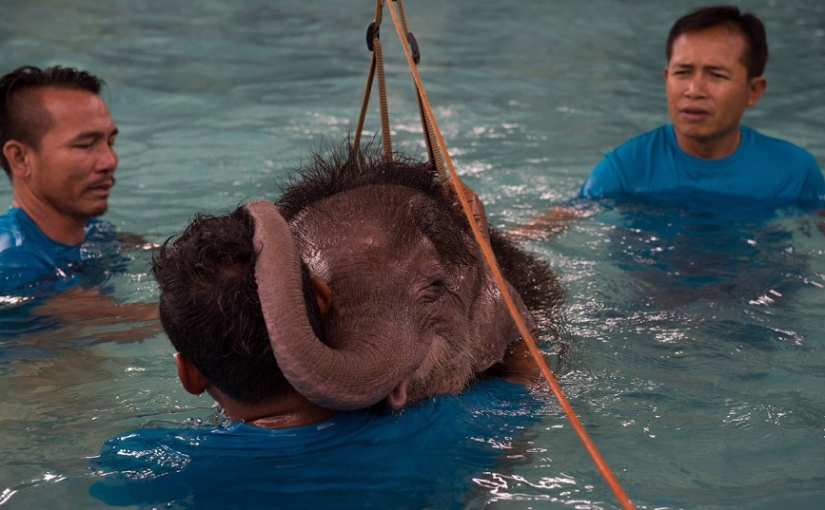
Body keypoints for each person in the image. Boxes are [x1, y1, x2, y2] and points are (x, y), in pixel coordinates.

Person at [87, 203, 543, 508]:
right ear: (322, 303)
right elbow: (524, 357)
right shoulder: (461, 426)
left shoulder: (143, 463)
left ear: (188, 373)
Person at [579, 5, 825, 205]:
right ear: (666, 79)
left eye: (716, 75)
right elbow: (551, 228)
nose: (694, 90)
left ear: (753, 91)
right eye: (683, 72)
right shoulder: (626, 169)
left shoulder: (793, 173)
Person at [0, 65, 120, 294]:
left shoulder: (96, 233)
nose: (109, 162)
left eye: (110, 143)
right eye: (85, 145)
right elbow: (125, 322)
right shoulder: (12, 264)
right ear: (20, 158)